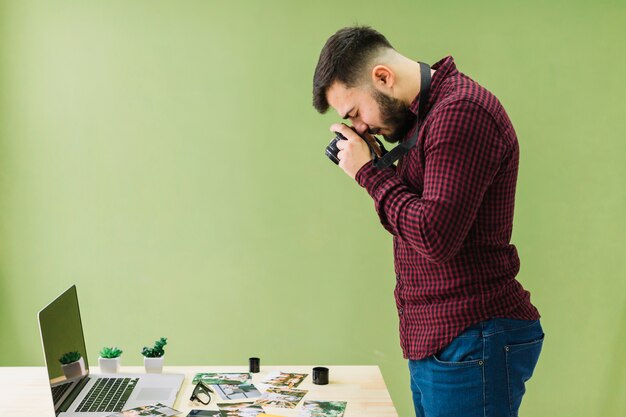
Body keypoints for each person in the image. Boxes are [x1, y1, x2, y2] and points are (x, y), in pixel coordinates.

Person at [312, 26, 544, 417]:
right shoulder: (425, 121)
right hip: (446, 340)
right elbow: (416, 221)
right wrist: (378, 162)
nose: (360, 126)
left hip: (471, 336)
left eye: (355, 113)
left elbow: (434, 236)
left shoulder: (460, 113)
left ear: (382, 77)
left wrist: (369, 172)